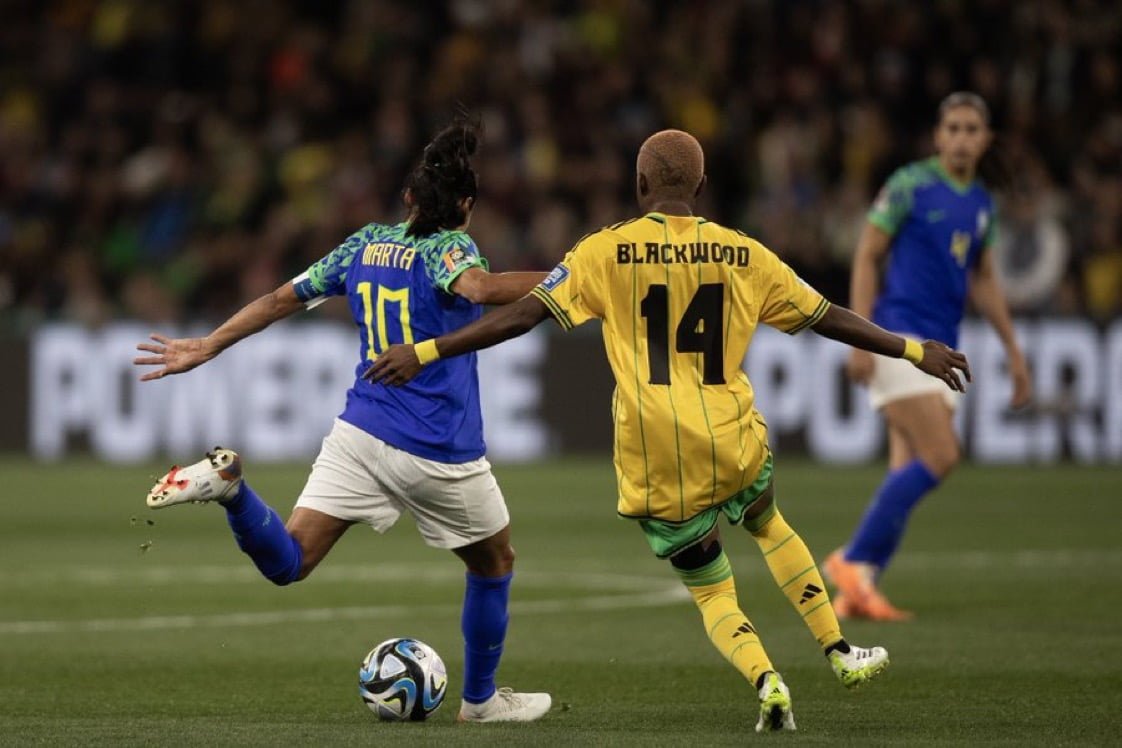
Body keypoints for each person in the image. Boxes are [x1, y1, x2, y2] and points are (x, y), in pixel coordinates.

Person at [366, 129, 972, 732]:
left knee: (711, 589)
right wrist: (914, 352)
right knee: (768, 523)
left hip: (656, 453)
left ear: (639, 184)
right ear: (702, 186)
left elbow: (523, 315)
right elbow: (827, 317)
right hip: (732, 433)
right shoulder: (745, 253)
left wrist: (427, 351)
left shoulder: (604, 250)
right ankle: (839, 651)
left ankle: (767, 681)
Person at [133, 118, 552, 723]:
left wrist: (209, 343)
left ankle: (233, 492)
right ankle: (481, 702)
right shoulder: (450, 247)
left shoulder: (364, 244)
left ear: (409, 198)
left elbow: (281, 298)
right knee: (494, 562)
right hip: (439, 448)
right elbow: (482, 289)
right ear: (465, 206)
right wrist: (576, 280)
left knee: (291, 561)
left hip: (360, 434)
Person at [826, 92, 1033, 621]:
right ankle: (851, 559)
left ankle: (859, 590)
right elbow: (867, 255)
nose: (963, 138)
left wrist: (1013, 350)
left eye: (972, 129)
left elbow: (983, 279)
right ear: (939, 136)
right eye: (954, 128)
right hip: (901, 339)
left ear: (984, 139)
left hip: (941, 348)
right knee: (942, 455)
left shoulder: (982, 202)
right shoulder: (909, 186)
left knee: (907, 466)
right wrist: (862, 338)